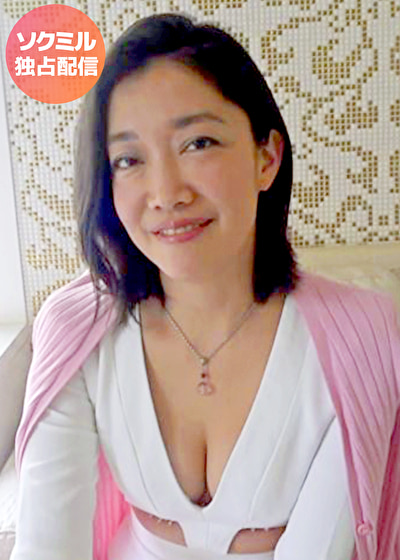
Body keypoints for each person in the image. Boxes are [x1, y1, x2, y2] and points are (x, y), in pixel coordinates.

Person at [10, 13, 400, 560]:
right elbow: (48, 545)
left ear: (266, 157)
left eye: (198, 143)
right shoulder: (78, 329)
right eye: (129, 159)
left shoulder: (365, 339)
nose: (166, 192)